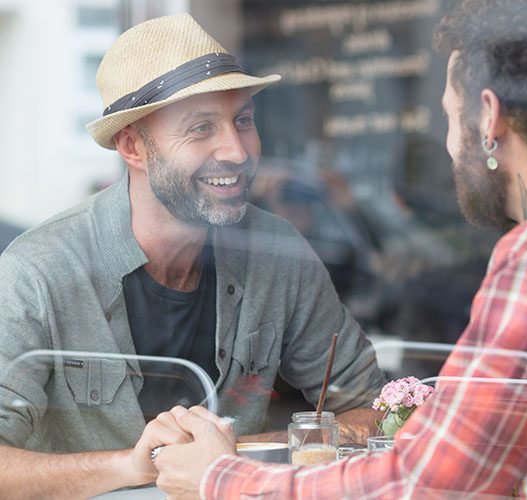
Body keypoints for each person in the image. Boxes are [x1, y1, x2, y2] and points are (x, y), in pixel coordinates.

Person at [151, 1, 527, 498]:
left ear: (488, 117)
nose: (446, 141)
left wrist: (218, 477)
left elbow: (426, 484)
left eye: (448, 114)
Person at [0, 13, 385, 498]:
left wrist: (234, 456)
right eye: (201, 127)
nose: (237, 151)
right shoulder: (37, 270)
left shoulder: (280, 253)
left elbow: (379, 408)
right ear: (132, 146)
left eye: (243, 120)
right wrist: (131, 465)